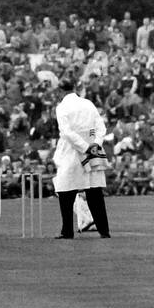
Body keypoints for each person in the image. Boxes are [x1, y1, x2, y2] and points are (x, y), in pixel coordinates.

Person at [51, 76, 112, 239]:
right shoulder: (88, 103)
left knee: (65, 192)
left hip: (72, 152)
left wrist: (84, 146)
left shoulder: (62, 107)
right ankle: (104, 231)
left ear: (60, 91)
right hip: (91, 150)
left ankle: (67, 231)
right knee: (94, 192)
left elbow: (67, 132)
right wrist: (94, 143)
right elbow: (98, 127)